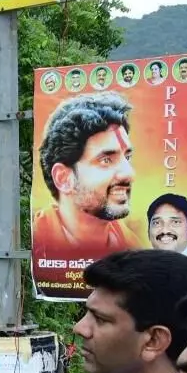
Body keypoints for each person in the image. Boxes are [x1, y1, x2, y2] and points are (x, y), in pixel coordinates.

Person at [32, 93, 143, 280]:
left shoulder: (135, 249)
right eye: (106, 159)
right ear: (64, 178)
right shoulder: (37, 244)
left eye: (127, 157)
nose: (130, 174)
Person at [145, 192, 187, 270]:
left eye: (175, 222)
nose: (165, 230)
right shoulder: (138, 267)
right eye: (157, 223)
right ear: (148, 232)